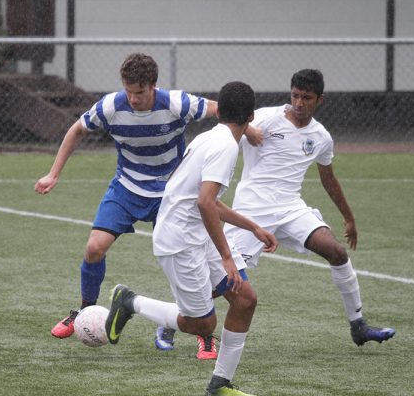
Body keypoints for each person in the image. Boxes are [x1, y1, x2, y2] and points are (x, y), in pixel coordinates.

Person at [36, 53, 260, 355]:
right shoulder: (111, 106)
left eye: (139, 92)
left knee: (195, 261)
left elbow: (222, 108)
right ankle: (84, 313)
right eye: (128, 90)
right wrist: (54, 173)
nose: (133, 98)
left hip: (172, 194)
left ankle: (202, 330)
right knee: (93, 248)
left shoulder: (175, 103)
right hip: (128, 187)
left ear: (153, 87)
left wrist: (248, 128)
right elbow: (77, 129)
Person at [105, 81, 278, 396]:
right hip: (180, 242)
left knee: (245, 299)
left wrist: (251, 226)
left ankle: (219, 384)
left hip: (197, 234)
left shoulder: (211, 137)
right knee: (202, 325)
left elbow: (205, 199)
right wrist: (227, 257)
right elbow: (205, 202)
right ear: (251, 117)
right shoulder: (225, 146)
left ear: (219, 111)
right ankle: (130, 301)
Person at [223, 69, 395, 346]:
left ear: (320, 100)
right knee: (227, 279)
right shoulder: (265, 117)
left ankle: (358, 325)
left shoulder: (321, 137)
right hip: (252, 210)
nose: (299, 103)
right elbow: (226, 125)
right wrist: (246, 129)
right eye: (295, 96)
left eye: (306, 98)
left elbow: (328, 178)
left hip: (291, 208)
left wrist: (349, 219)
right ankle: (178, 318)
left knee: (337, 252)